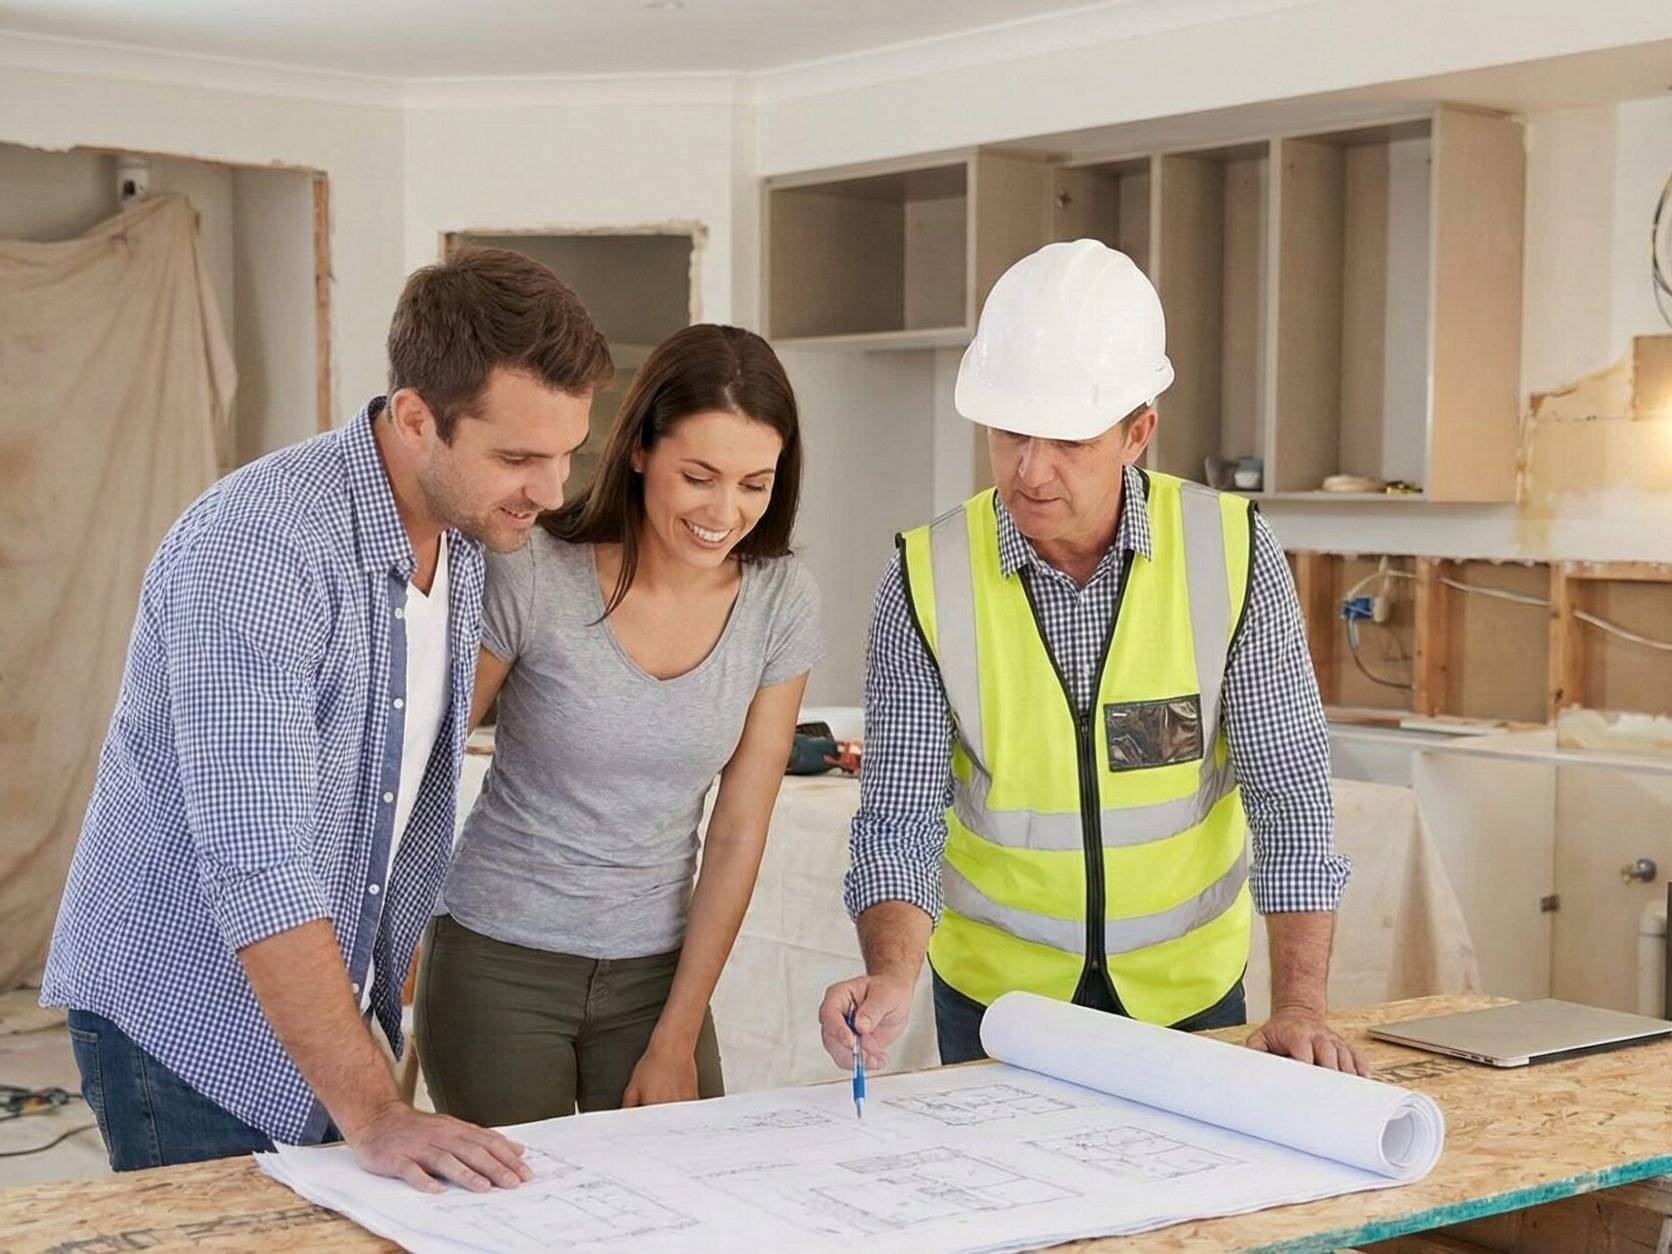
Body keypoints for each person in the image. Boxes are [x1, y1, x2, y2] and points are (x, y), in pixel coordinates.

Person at [42, 247, 612, 1191]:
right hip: (187, 1022)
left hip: (314, 1012)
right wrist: (379, 1111)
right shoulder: (259, 550)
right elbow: (257, 860)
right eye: (518, 457)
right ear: (416, 418)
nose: (550, 492)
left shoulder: (461, 536)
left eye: (567, 453)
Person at [816, 239, 1368, 1077]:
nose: (1030, 471)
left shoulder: (1231, 553)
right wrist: (891, 973)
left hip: (1190, 998)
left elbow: (1289, 792)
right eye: (1009, 434)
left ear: (1138, 431)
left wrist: (1299, 1007)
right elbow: (899, 816)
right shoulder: (926, 577)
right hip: (999, 1004)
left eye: (1067, 439)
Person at [416, 323, 824, 1123]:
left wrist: (677, 1032)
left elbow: (740, 829)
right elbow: (423, 759)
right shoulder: (534, 571)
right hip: (499, 965)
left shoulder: (782, 600)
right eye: (699, 476)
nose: (724, 511)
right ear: (639, 450)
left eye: (754, 483)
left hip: (656, 981)